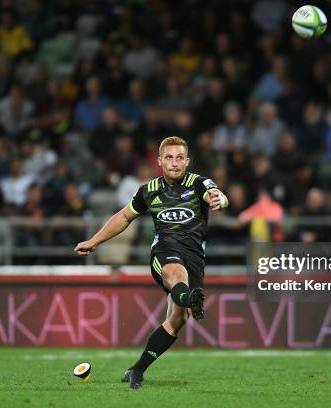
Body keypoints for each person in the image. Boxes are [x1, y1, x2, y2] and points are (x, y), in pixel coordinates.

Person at [74, 136, 229, 389]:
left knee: (176, 320)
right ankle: (190, 298)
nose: (175, 163)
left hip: (195, 258)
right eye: (169, 157)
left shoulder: (198, 183)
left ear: (187, 161)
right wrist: (95, 240)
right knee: (176, 274)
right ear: (159, 161)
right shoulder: (148, 190)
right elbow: (124, 217)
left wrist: (219, 200)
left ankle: (137, 369)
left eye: (180, 158)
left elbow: (217, 195)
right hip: (165, 251)